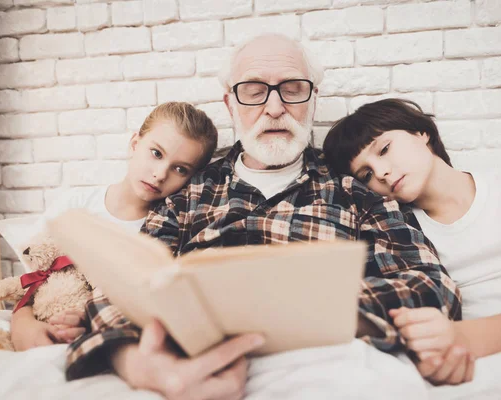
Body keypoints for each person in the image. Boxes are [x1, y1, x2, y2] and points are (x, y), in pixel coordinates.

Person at [64, 34, 461, 399]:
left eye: (292, 89)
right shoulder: (190, 193)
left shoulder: (357, 190)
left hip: (329, 371)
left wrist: (314, 309)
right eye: (253, 92)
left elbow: (432, 286)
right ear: (230, 104)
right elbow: (116, 287)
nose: (274, 107)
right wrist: (138, 365)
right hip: (194, 368)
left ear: (313, 99)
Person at [323, 98, 501, 385]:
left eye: (384, 149)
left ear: (421, 133)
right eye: (366, 175)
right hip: (470, 369)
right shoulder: (400, 235)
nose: (380, 172)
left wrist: (463, 337)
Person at [10, 102, 219, 352]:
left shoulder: (168, 232)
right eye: (156, 153)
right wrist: (22, 324)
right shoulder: (76, 205)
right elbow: (32, 279)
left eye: (180, 169)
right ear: (134, 144)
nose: (160, 174)